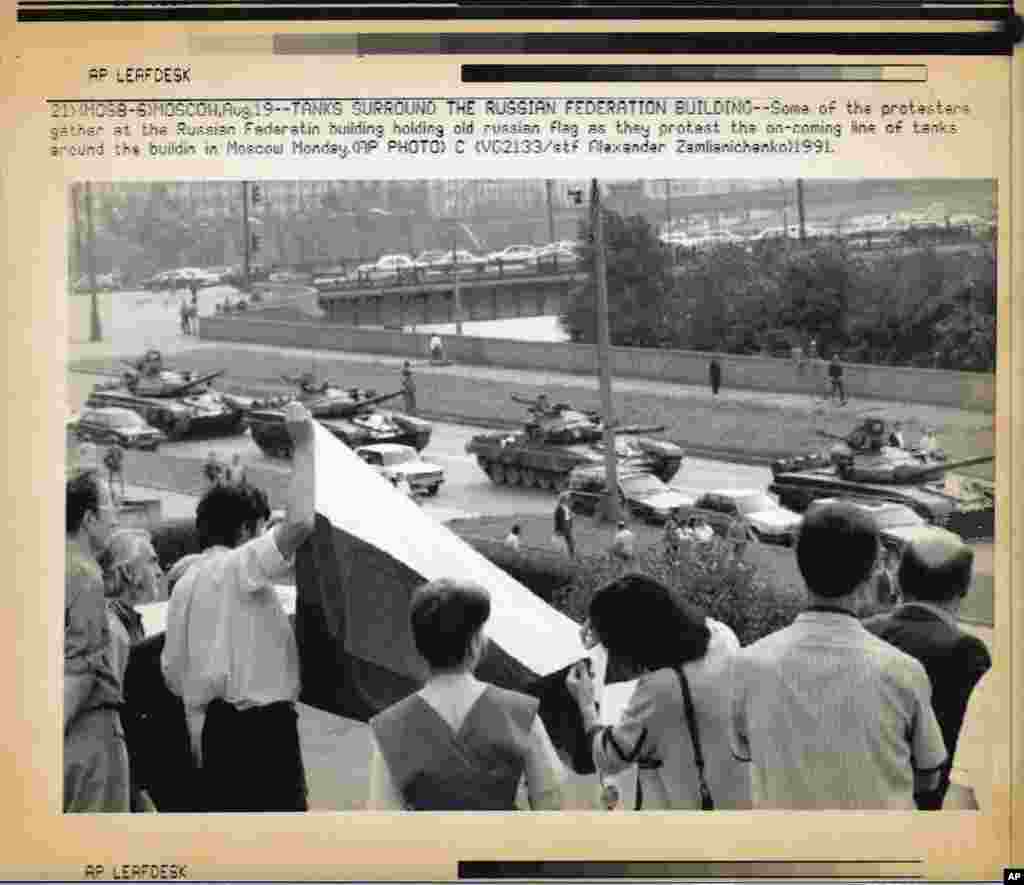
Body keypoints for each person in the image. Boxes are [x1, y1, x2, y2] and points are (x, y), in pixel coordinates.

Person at [728, 502, 947, 809]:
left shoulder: (748, 664)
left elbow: (743, 751)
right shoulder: (903, 671)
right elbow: (929, 777)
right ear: (873, 571)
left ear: (799, 562)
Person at [161, 402, 316, 812]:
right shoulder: (238, 566)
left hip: (214, 736)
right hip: (262, 735)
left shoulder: (185, 585)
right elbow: (300, 524)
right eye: (263, 530)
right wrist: (304, 444)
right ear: (247, 531)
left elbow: (173, 673)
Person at [367, 578, 565, 810]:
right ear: (474, 645)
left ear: (420, 645)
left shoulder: (390, 727)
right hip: (503, 845)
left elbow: (382, 819)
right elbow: (550, 803)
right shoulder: (521, 715)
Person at [565, 573, 751, 809]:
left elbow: (610, 757)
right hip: (733, 790)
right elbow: (643, 605)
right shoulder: (722, 636)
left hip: (683, 807)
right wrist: (603, 618)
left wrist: (586, 704)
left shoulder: (660, 689)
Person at [863, 533, 992, 809]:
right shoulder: (966, 651)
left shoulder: (863, 632)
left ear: (899, 578)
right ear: (965, 588)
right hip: (928, 809)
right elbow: (966, 747)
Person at [65, 470, 130, 812]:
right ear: (89, 518)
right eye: (110, 506)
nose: (116, 516)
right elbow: (81, 672)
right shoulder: (85, 575)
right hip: (87, 735)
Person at [102, 529, 164, 812]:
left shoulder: (126, 622)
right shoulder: (111, 627)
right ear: (127, 571)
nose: (160, 571)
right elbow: (113, 711)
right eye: (151, 561)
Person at [553, 492, 576, 559]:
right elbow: (560, 522)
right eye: (568, 499)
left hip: (566, 531)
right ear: (564, 500)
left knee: (570, 547)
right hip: (561, 532)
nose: (571, 501)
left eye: (570, 499)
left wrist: (570, 516)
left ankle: (571, 557)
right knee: (563, 551)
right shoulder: (559, 509)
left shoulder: (567, 508)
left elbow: (568, 520)